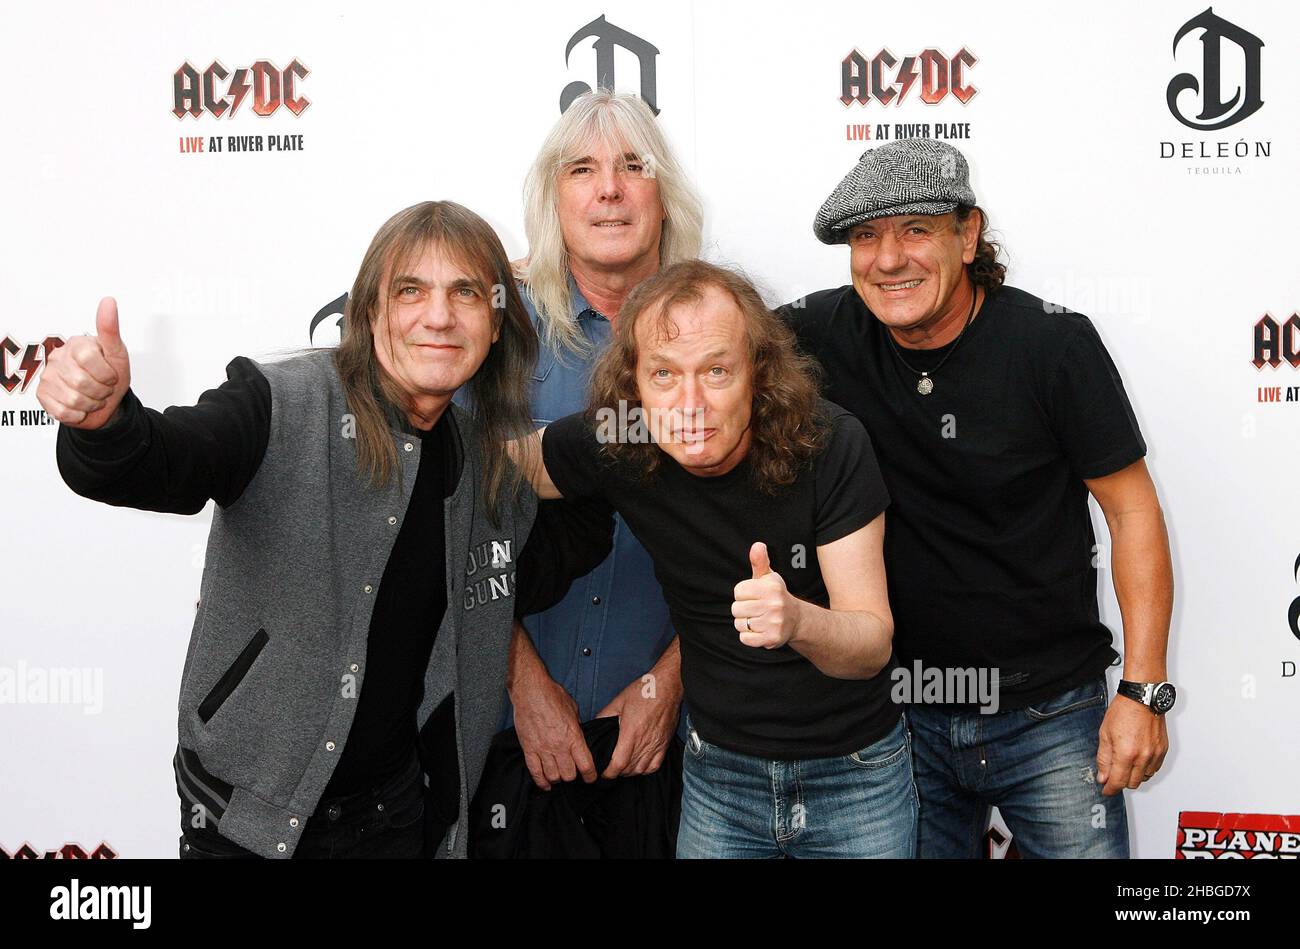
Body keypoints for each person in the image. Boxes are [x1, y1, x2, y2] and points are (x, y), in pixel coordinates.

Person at [41, 200, 607, 859]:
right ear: (369, 312)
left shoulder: (481, 466)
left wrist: (625, 445)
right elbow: (166, 459)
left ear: (495, 322)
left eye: (466, 293)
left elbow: (547, 556)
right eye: (410, 290)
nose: (439, 315)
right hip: (241, 818)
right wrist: (104, 424)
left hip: (391, 820)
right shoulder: (282, 404)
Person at [781, 139, 1175, 858]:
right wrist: (551, 275)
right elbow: (698, 333)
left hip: (1051, 711)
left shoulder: (1052, 344)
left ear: (968, 234)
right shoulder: (816, 333)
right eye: (865, 236)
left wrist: (1143, 690)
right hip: (895, 721)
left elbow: (1132, 511)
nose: (888, 258)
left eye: (915, 229)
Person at [516, 259, 916, 859]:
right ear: (635, 385)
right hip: (719, 779)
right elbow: (487, 470)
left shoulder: (831, 443)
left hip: (855, 774)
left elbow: (871, 645)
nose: (690, 403)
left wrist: (797, 620)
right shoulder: (624, 437)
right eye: (664, 375)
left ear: (758, 373)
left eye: (717, 370)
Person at [503, 89, 703, 793]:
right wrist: (523, 687)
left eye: (633, 166)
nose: (610, 190)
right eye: (582, 170)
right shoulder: (494, 334)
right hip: (512, 743)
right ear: (553, 200)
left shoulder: (724, 337)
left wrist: (668, 685)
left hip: (675, 746)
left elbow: (765, 535)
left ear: (665, 197)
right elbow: (450, 529)